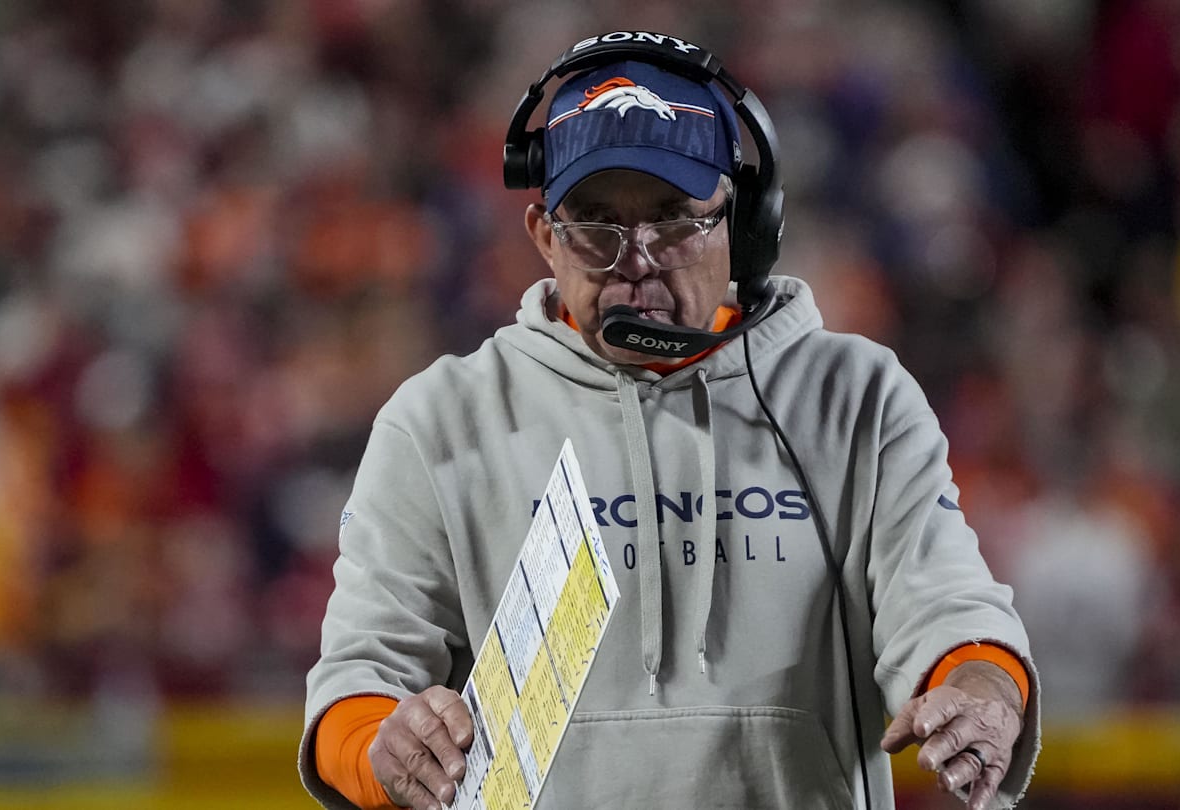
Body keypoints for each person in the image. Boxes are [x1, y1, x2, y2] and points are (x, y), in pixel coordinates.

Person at [299, 32, 1040, 810]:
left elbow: (947, 605)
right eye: (597, 227)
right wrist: (384, 750)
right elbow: (357, 681)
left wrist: (980, 688)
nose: (638, 260)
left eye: (676, 221)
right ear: (544, 237)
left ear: (743, 226)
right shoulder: (440, 420)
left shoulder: (855, 398)